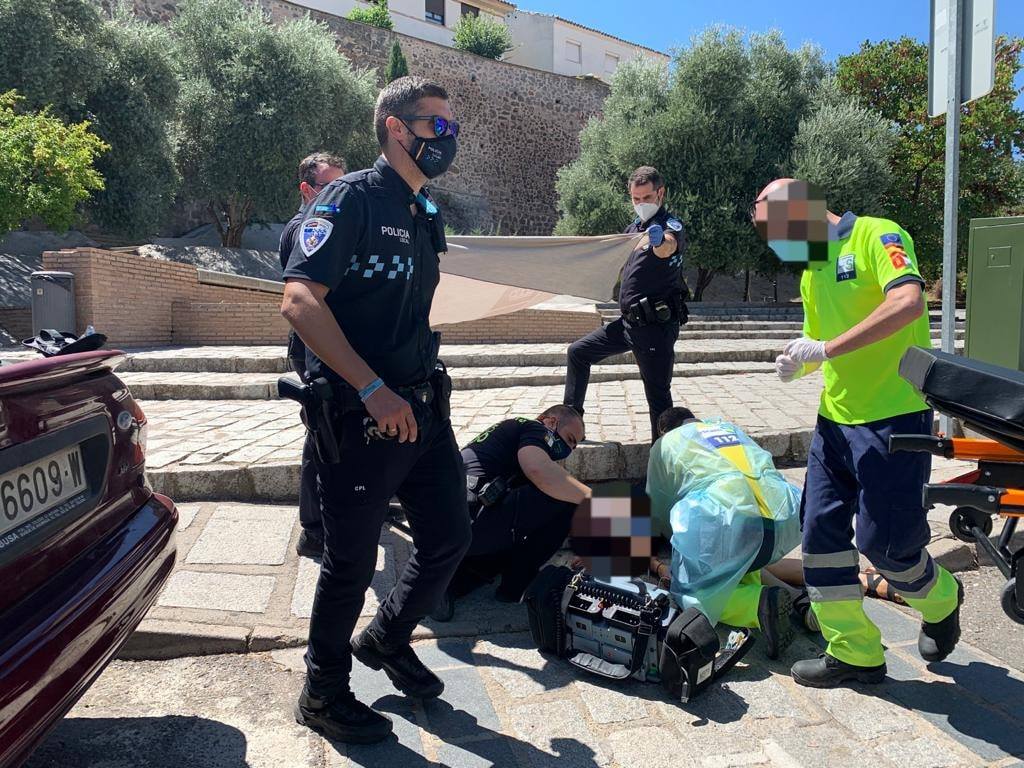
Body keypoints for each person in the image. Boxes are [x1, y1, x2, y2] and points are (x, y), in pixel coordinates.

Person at [281, 76, 470, 743]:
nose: (448, 139)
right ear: (397, 128)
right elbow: (300, 301)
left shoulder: (425, 211)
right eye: (436, 126)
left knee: (451, 537)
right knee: (351, 562)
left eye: (451, 127)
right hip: (363, 418)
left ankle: (386, 639)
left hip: (423, 409)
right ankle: (323, 691)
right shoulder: (349, 199)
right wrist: (369, 387)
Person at [754, 178, 963, 688]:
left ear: (802, 212)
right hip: (834, 423)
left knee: (887, 547)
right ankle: (855, 653)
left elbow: (908, 304)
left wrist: (824, 351)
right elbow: (820, 342)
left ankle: (942, 599)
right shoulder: (812, 272)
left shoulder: (876, 235)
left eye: (774, 231)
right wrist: (799, 363)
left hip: (894, 418)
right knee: (820, 536)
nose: (774, 244)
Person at [646, 406, 802, 659]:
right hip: (786, 516)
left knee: (691, 592)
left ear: (663, 431)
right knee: (739, 562)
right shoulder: (728, 428)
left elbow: (658, 506)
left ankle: (758, 605)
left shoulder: (665, 444)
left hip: (729, 517)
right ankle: (796, 603)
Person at [563, 166, 688, 441]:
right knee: (578, 353)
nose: (641, 204)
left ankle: (664, 462)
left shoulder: (670, 226)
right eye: (635, 199)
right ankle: (571, 426)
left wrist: (659, 242)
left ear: (660, 193)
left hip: (655, 328)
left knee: (658, 401)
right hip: (628, 324)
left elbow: (668, 246)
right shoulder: (633, 229)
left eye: (646, 198)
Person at [431, 405, 590, 622]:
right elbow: (539, 471)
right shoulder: (534, 429)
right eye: (570, 438)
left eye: (575, 444)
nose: (570, 448)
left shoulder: (507, 437)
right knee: (565, 501)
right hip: (468, 519)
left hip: (449, 526)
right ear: (550, 421)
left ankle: (450, 581)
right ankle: (517, 584)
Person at [280, 152, 346, 559]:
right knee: (320, 438)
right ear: (307, 190)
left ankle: (326, 522)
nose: (338, 196)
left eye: (343, 186)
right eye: (329, 187)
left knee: (328, 436)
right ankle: (314, 530)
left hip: (324, 346)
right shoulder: (306, 228)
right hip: (313, 349)